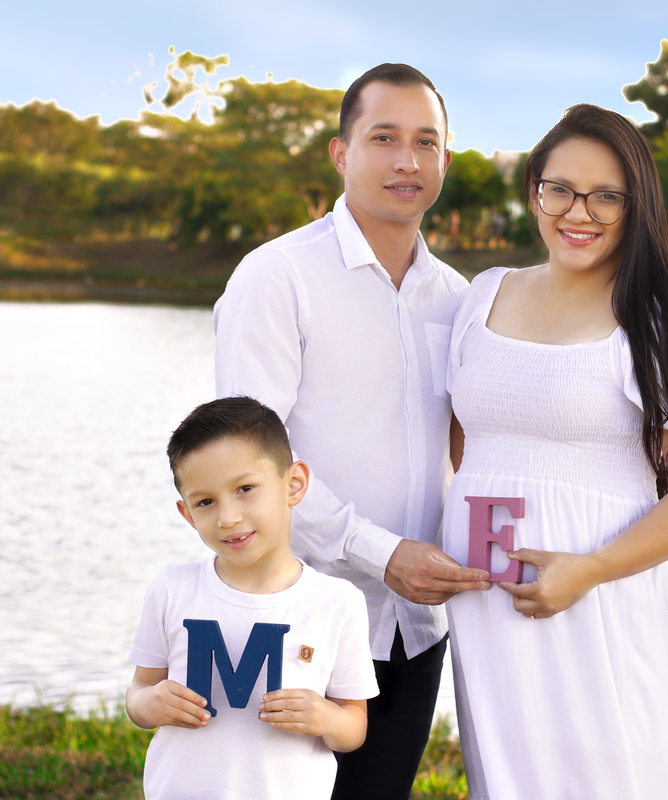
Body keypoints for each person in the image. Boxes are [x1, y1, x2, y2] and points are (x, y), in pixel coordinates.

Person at [442, 104, 668, 799]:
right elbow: (469, 450)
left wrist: (590, 567)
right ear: (533, 190)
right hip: (492, 605)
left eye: (606, 194)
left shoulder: (662, 316)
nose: (579, 211)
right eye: (561, 189)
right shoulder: (483, 295)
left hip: (606, 602)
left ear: (637, 205)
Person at [211, 63, 491, 799]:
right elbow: (247, 465)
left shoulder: (460, 300)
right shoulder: (277, 277)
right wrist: (381, 552)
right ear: (341, 154)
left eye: (426, 142)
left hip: (414, 628)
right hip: (294, 620)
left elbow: (470, 449)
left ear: (445, 162)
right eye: (384, 138)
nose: (407, 160)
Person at [126, 397, 379, 799]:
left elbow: (354, 726)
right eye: (205, 501)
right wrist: (150, 702)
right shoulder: (172, 588)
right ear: (186, 513)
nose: (228, 517)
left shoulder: (336, 601)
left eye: (245, 489)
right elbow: (138, 693)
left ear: (293, 484)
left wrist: (325, 718)